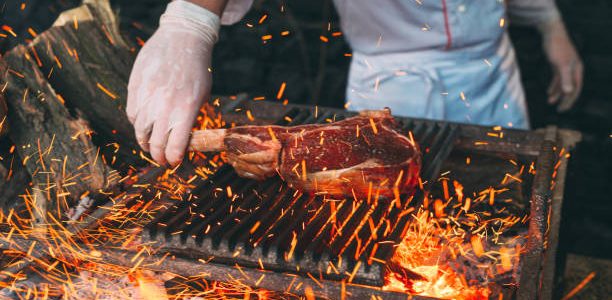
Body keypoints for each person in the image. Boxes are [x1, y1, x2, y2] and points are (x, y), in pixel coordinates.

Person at [127, 0, 583, 167]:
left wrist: (549, 21)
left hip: (490, 69)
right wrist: (193, 18)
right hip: (393, 77)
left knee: (502, 210)